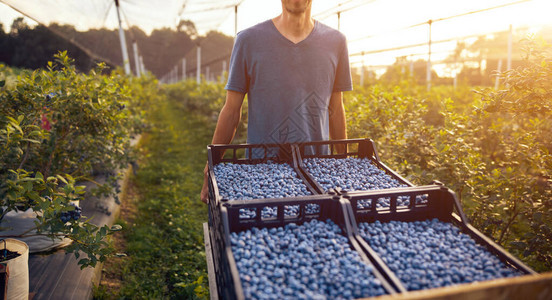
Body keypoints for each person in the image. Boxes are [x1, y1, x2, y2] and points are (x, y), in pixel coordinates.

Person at [200, 0, 352, 203]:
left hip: (317, 172)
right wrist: (210, 168)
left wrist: (343, 165)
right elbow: (231, 111)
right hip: (262, 172)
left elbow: (336, 108)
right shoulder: (248, 40)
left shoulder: (336, 42)